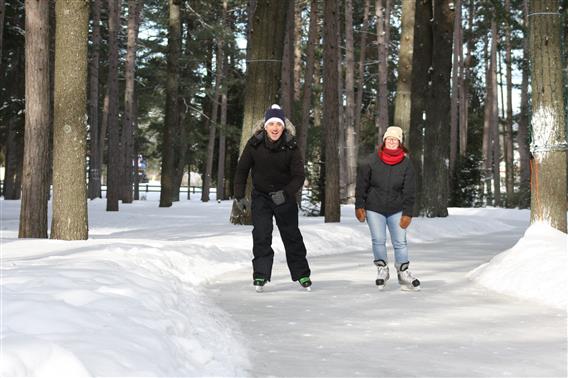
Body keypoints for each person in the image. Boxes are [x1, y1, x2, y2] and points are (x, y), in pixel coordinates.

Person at [233, 104, 312, 293]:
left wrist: (285, 193)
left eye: (278, 124)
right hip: (261, 196)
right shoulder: (254, 144)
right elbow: (242, 169)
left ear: (283, 126)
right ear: (265, 126)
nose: (275, 128)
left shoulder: (291, 146)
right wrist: (239, 196)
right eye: (271, 124)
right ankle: (260, 274)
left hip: (284, 197)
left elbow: (299, 176)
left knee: (291, 235)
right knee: (261, 234)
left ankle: (302, 274)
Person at [354, 126, 420, 291]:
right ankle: (382, 270)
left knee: (400, 242)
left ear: (400, 142)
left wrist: (407, 213)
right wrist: (359, 205)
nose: (392, 141)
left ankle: (403, 273)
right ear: (384, 141)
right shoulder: (371, 160)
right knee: (378, 240)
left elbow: (410, 191)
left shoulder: (406, 164)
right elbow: (361, 185)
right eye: (389, 139)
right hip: (374, 208)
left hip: (397, 209)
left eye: (395, 139)